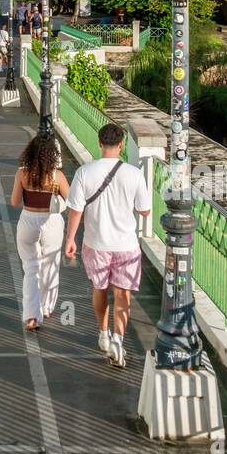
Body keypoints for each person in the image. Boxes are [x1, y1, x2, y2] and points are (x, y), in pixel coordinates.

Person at [64, 121, 151, 369]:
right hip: (126, 246)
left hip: (95, 243)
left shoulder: (84, 172)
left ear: (100, 143)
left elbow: (75, 211)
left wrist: (70, 239)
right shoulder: (134, 174)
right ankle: (118, 339)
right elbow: (145, 211)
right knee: (123, 294)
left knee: (99, 289)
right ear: (122, 145)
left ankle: (102, 333)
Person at [10, 134, 69, 331]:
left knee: (30, 268)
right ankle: (46, 307)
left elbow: (15, 202)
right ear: (53, 155)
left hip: (28, 220)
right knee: (50, 265)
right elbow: (72, 200)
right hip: (51, 222)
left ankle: (31, 317)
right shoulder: (57, 176)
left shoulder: (22, 173)